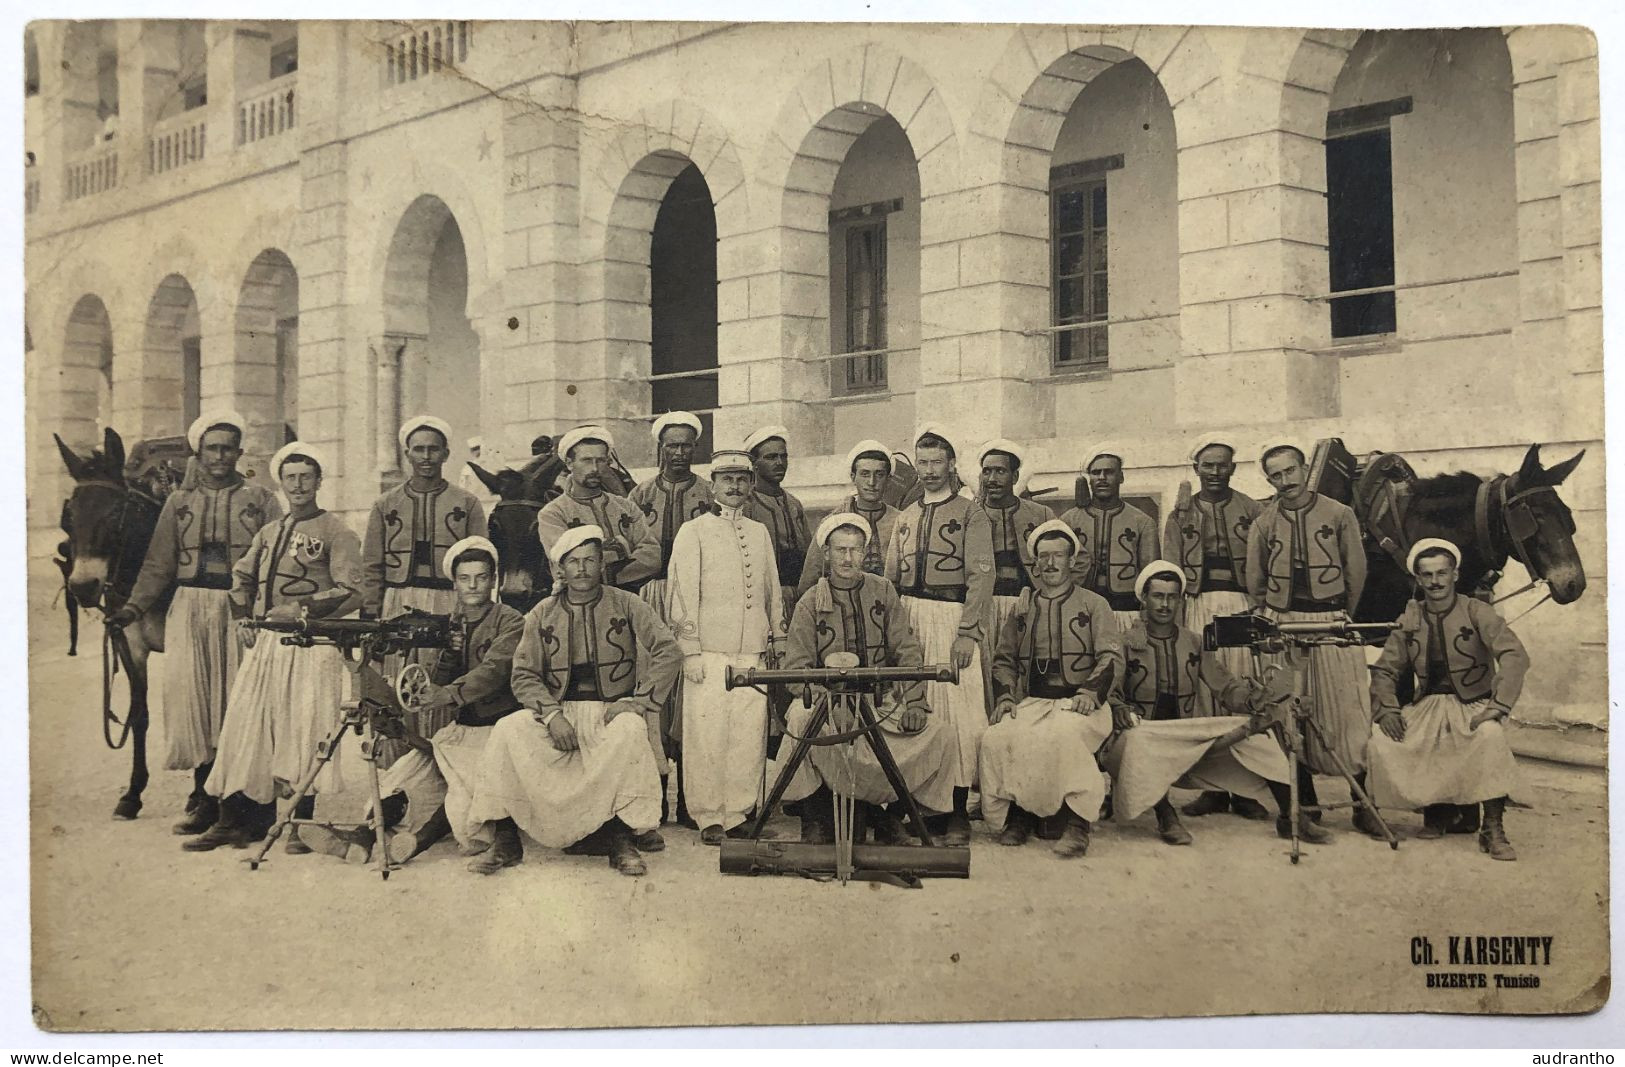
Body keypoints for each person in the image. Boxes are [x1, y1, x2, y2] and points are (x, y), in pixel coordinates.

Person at [465, 525, 680, 876]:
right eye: (573, 562)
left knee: (631, 728)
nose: (581, 569)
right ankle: (505, 840)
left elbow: (668, 650)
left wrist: (639, 701)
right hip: (559, 711)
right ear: (558, 570)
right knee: (508, 729)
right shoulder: (541, 613)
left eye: (590, 560)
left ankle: (620, 838)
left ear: (601, 565)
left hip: (609, 711)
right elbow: (523, 674)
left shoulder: (627, 603)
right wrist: (550, 715)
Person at [107, 412, 282, 836]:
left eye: (228, 448)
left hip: (241, 610)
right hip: (189, 607)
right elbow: (158, 563)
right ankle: (205, 797)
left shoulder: (261, 499)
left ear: (239, 453)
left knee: (240, 700)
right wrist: (133, 608)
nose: (220, 456)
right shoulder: (178, 503)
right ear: (199, 454)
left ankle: (247, 802)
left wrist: (269, 613)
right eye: (211, 448)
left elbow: (277, 560)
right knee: (196, 701)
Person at [304, 536, 527, 865]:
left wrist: (444, 694)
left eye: (481, 578)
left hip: (498, 731)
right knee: (405, 776)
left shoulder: (511, 621)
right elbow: (439, 679)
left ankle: (418, 842)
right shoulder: (454, 622)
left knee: (465, 792)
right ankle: (362, 836)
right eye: (465, 579)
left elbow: (493, 671)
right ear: (455, 584)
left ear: (493, 581)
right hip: (461, 732)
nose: (473, 586)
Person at [193, 443, 362, 853]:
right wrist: (241, 619)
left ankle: (299, 825)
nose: (299, 485)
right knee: (246, 723)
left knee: (304, 729)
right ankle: (233, 820)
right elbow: (241, 577)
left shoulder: (337, 532)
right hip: (268, 644)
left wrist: (301, 608)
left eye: (307, 476)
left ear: (320, 481)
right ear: (281, 483)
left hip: (312, 643)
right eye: (291, 477)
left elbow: (352, 590)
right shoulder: (269, 532)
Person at [1103, 562, 1329, 847]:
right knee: (1140, 738)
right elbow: (1108, 693)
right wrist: (1120, 708)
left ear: (1181, 601)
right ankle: (1166, 816)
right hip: (1137, 737)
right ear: (1144, 599)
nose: (1164, 604)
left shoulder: (1194, 642)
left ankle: (1291, 816)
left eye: (1172, 597)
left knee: (1259, 734)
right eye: (1158, 596)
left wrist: (1256, 701)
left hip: (1183, 738)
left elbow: (1227, 688)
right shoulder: (1124, 643)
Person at [776, 514, 952, 844]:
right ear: (826, 554)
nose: (847, 558)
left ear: (865, 553)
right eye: (840, 550)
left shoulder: (883, 590)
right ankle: (814, 816)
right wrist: (828, 704)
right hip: (830, 706)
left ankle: (892, 816)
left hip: (879, 703)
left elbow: (907, 650)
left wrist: (915, 701)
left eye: (855, 550)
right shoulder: (811, 601)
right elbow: (796, 668)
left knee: (941, 733)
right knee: (800, 720)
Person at [1367, 540, 1529, 860]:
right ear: (1418, 579)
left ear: (1456, 574)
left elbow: (1514, 655)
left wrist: (1497, 706)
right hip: (1428, 702)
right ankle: (1435, 812)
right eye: (1427, 575)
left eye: (1442, 573)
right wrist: (1386, 708)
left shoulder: (1477, 610)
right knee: (1379, 740)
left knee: (1489, 735)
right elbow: (1385, 670)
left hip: (1474, 703)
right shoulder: (1410, 618)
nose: (1435, 581)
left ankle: (1492, 828)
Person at [1245, 443, 1377, 836]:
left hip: (1331, 621)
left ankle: (1363, 804)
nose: (1285, 481)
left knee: (1348, 711)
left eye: (1290, 471)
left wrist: (1339, 614)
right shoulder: (1264, 523)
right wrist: (1273, 615)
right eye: (1275, 475)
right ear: (1268, 479)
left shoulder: (1340, 514)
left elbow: (1357, 570)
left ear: (1304, 469)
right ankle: (1305, 807)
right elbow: (1256, 581)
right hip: (1284, 621)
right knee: (1288, 715)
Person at [978, 519, 1122, 858]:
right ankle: (1019, 813)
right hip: (1035, 701)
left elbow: (1111, 655)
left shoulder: (1094, 604)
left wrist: (1090, 693)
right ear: (1035, 563)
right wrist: (1005, 697)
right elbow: (1003, 659)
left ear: (1072, 561)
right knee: (997, 737)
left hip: (1081, 703)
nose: (1051, 564)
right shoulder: (1023, 608)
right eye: (1043, 557)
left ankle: (1077, 822)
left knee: (1062, 735)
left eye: (1058, 556)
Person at [664, 449, 784, 844]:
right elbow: (681, 593)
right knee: (707, 733)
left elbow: (771, 591)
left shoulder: (759, 531)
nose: (735, 487)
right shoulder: (693, 530)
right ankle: (708, 814)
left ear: (751, 486)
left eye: (742, 480)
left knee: (748, 734)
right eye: (727, 480)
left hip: (752, 651)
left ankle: (738, 810)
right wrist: (690, 650)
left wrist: (777, 639)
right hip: (710, 653)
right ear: (713, 485)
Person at [883, 424, 994, 846]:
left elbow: (982, 576)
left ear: (952, 464)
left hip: (951, 617)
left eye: (937, 462)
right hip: (911, 618)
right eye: (923, 462)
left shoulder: (971, 512)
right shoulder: (907, 516)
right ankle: (923, 805)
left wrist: (968, 632)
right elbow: (891, 579)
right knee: (917, 705)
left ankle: (958, 811)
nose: (929, 471)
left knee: (960, 711)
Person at [1164, 440, 1267, 820]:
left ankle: (1246, 788)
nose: (1215, 472)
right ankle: (1211, 788)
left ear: (1233, 468)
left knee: (1240, 685)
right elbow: (1171, 566)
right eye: (1207, 465)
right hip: (1197, 605)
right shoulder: (1179, 515)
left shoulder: (1252, 509)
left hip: (1240, 606)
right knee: (1203, 692)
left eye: (1222, 465)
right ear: (1196, 468)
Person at [360, 415, 487, 719]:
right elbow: (372, 565)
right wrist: (371, 615)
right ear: (407, 454)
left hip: (448, 602)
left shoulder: (467, 503)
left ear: (446, 453)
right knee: (396, 683)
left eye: (433, 449)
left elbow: (481, 559)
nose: (426, 457)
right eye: (419, 450)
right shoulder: (385, 504)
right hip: (397, 602)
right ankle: (397, 755)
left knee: (439, 679)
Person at [629, 411, 715, 824]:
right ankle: (656, 796)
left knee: (691, 698)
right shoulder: (639, 496)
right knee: (655, 693)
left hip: (698, 602)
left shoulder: (711, 494)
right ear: (659, 448)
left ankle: (691, 801)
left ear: (695, 448)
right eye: (671, 445)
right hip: (650, 596)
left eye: (686, 445)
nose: (679, 453)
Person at [969, 439, 1053, 696]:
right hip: (981, 609)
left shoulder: (1042, 515)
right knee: (981, 679)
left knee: (1024, 677)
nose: (992, 478)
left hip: (1026, 608)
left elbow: (1067, 561)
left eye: (1000, 471)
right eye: (987, 471)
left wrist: (1041, 596)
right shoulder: (968, 514)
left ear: (1015, 476)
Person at [536, 425, 660, 591]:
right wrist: (622, 548)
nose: (594, 469)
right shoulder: (553, 514)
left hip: (629, 601)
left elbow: (652, 557)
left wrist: (604, 570)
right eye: (586, 460)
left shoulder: (627, 507)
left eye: (601, 460)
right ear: (569, 463)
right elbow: (567, 566)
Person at [1060, 444, 1160, 631]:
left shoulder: (1142, 522)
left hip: (1127, 611)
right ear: (1088, 479)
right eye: (1096, 472)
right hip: (1081, 611)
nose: (1102, 478)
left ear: (1121, 477)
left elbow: (1151, 576)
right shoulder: (1068, 521)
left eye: (1109, 472)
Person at [794, 440, 899, 601]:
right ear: (853, 477)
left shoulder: (900, 521)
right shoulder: (832, 523)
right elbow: (809, 580)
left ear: (888, 479)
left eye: (879, 474)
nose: (872, 482)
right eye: (864, 474)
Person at [741, 425, 812, 620]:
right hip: (762, 601)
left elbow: (809, 554)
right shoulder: (747, 505)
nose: (780, 463)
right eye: (771, 457)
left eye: (783, 456)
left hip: (800, 597)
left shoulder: (794, 504)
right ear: (754, 463)